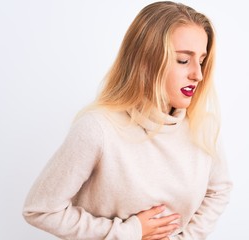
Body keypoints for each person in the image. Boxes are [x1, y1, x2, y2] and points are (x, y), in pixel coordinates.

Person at [23, 1, 233, 239]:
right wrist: (128, 233)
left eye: (202, 60)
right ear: (146, 60)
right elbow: (40, 210)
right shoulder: (98, 128)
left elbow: (219, 190)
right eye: (183, 60)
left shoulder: (202, 126)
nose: (198, 74)